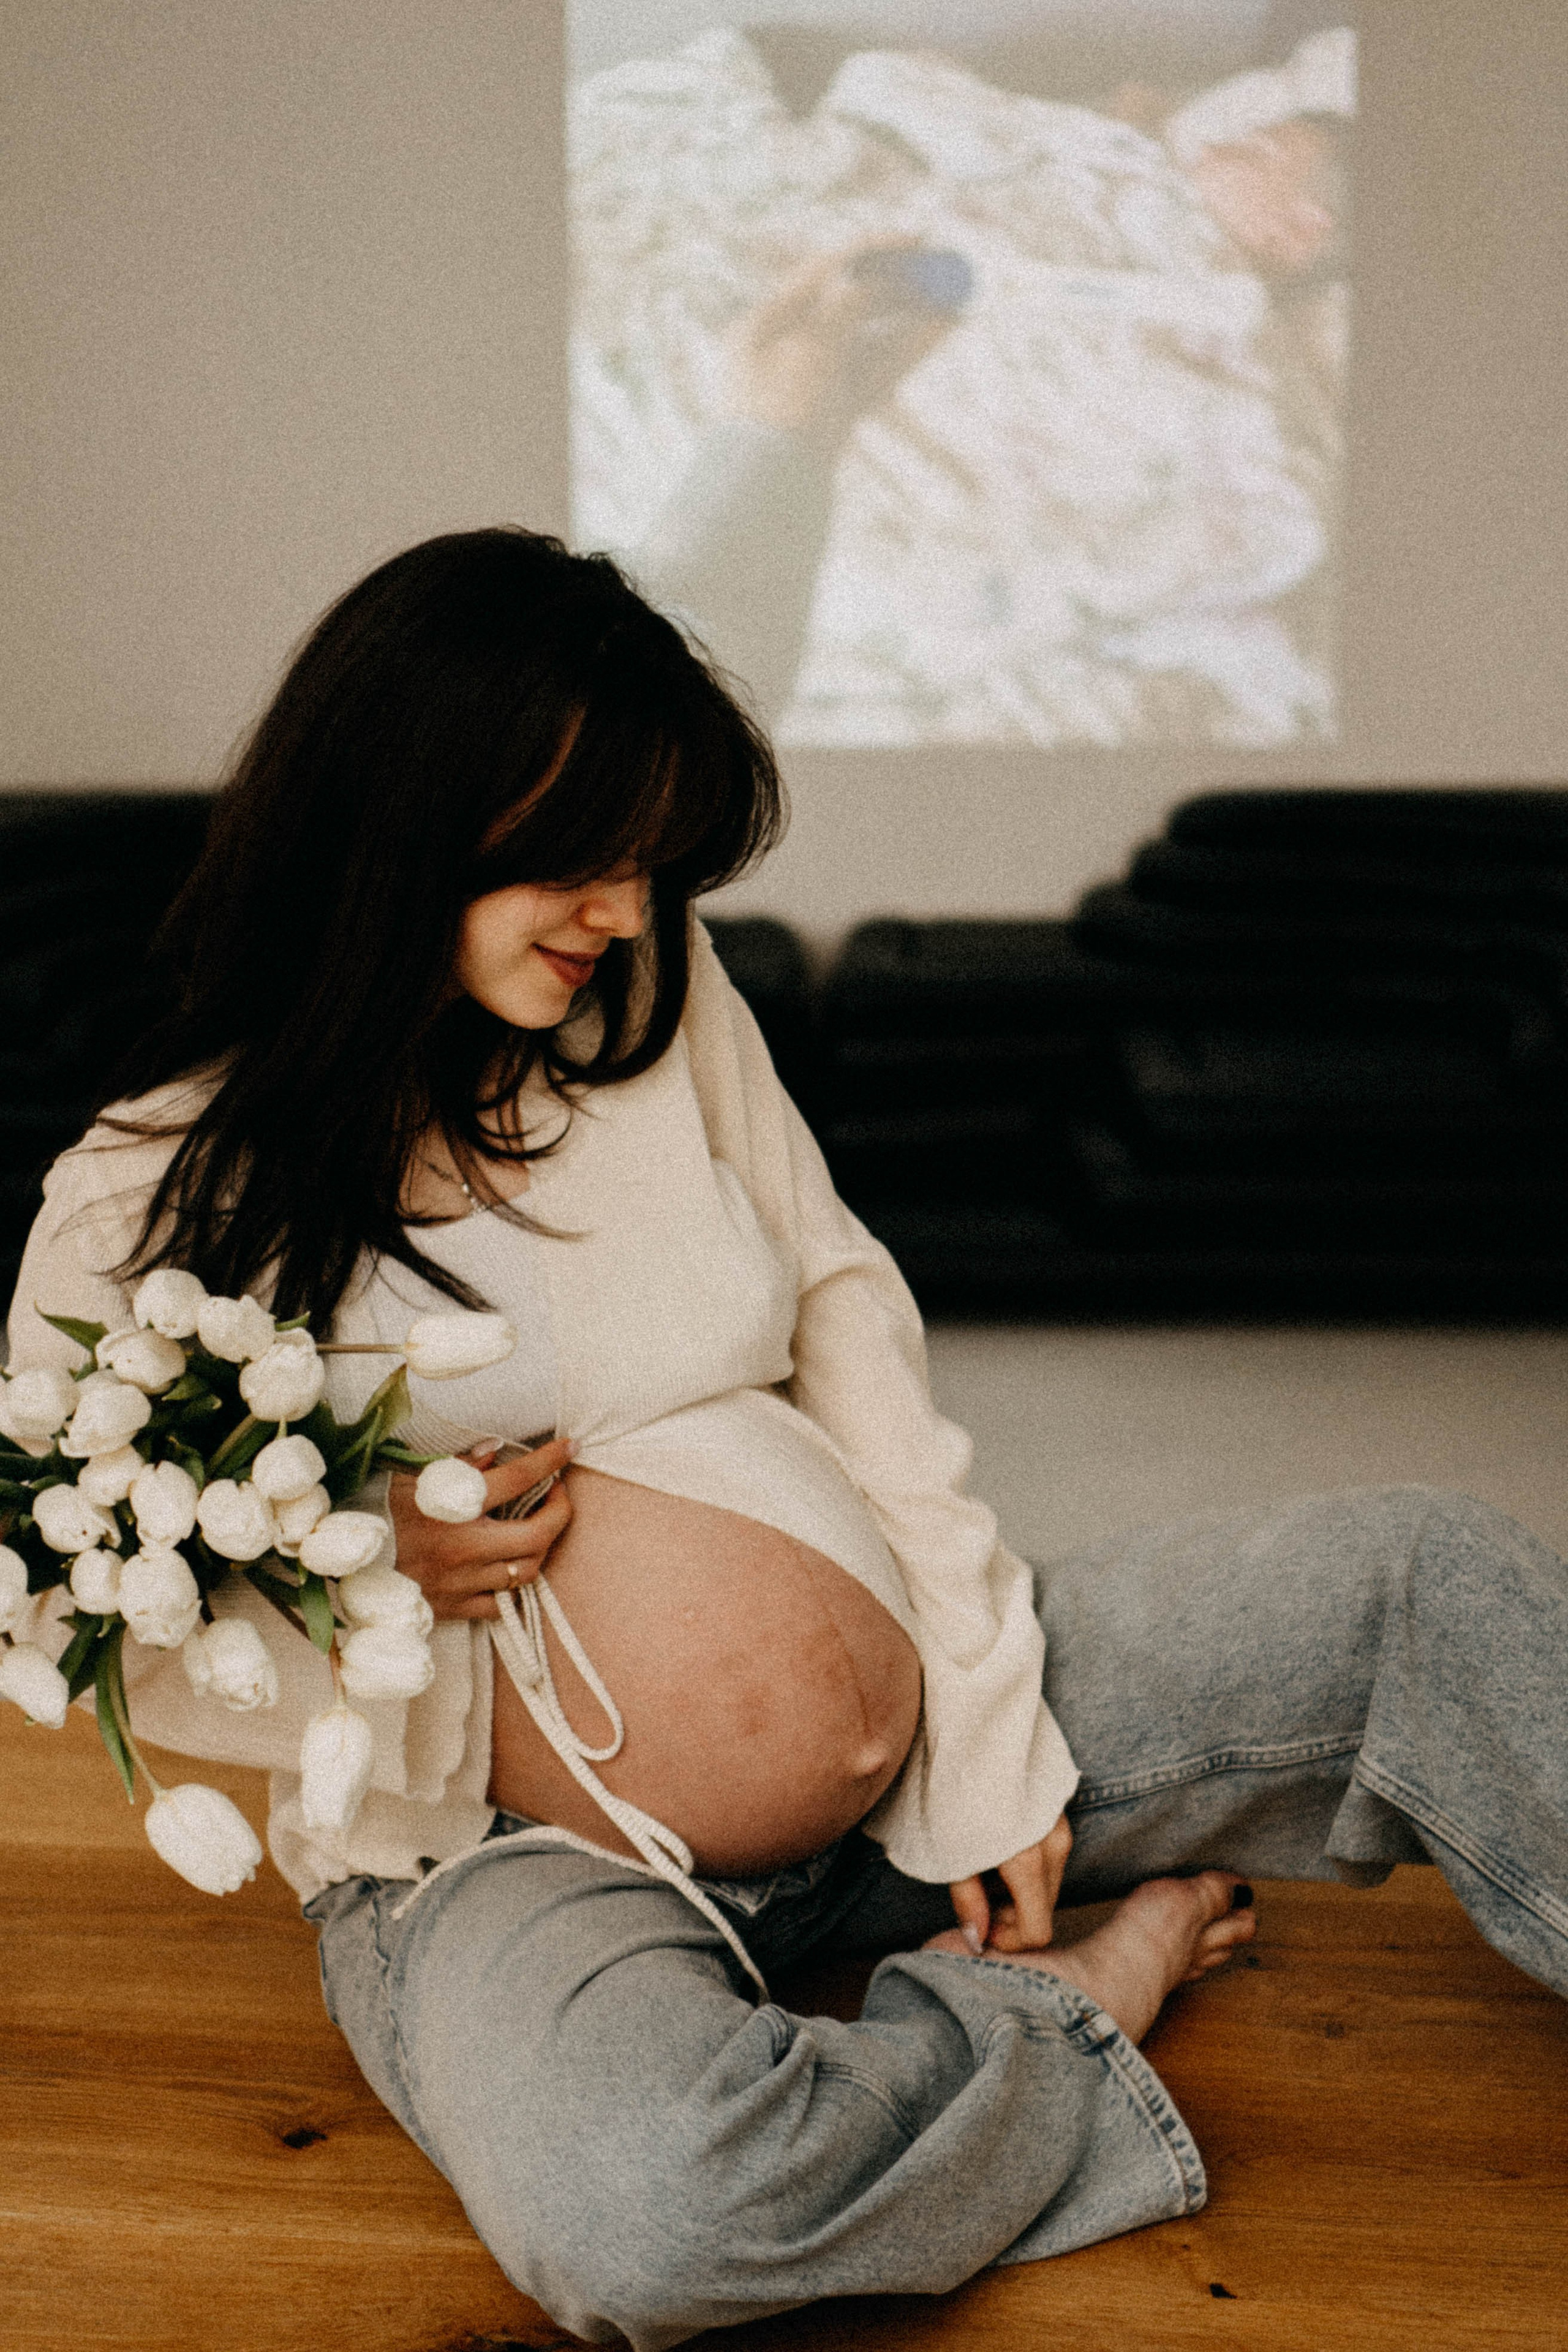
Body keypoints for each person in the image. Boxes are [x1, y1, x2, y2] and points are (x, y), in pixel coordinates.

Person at [7, 529, 1564, 2350]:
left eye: (655, 864)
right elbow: (53, 1594)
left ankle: (988, 1927)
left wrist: (984, 1740)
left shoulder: (657, 1018)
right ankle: (1071, 2010)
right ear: (403, 815)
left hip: (924, 1776)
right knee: (642, 2208)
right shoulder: (145, 1191)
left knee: (1422, 1582)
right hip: (520, 1862)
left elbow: (850, 1321)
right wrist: (348, 1572)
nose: (624, 911)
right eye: (583, 859)